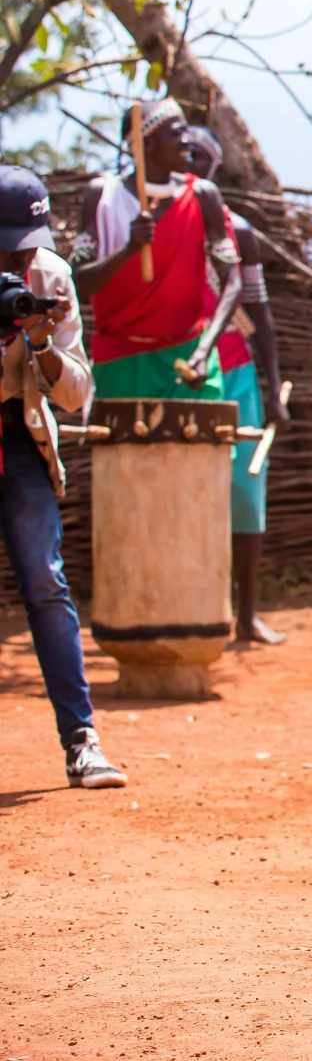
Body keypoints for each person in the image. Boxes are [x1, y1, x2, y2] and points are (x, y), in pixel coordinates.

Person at [0, 167, 125, 788]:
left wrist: (43, 345)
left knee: (47, 583)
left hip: (19, 436)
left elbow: (77, 395)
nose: (19, 255)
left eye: (27, 240)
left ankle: (82, 741)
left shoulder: (48, 274)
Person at [182, 127, 296, 646]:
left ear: (217, 167)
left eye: (201, 157)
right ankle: (192, 606)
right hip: (178, 372)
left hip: (235, 373)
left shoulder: (237, 232)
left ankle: (246, 614)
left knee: (245, 494)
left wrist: (272, 389)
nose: (192, 164)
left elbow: (260, 314)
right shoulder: (153, 226)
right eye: (184, 155)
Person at [69, 100, 242, 402]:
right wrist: (128, 250)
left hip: (189, 356)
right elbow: (76, 284)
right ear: (147, 143)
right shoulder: (104, 197)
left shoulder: (202, 196)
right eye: (176, 134)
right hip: (122, 363)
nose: (188, 141)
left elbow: (233, 282)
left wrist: (204, 349)